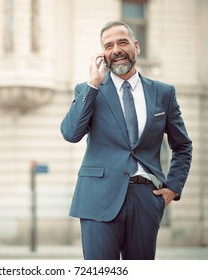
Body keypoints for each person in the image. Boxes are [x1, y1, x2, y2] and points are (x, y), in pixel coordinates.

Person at [60, 20, 192, 260]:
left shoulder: (163, 93)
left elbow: (182, 145)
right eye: (108, 46)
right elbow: (71, 133)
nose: (116, 50)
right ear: (103, 54)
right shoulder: (88, 91)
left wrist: (173, 187)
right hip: (98, 198)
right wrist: (93, 84)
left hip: (146, 199)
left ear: (136, 46)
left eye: (122, 42)